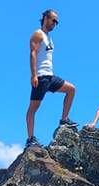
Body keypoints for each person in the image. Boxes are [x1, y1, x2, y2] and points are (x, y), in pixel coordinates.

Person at [25, 9, 77, 148]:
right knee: (32, 109)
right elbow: (33, 54)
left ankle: (64, 119)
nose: (55, 24)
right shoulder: (38, 34)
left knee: (71, 89)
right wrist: (34, 75)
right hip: (41, 77)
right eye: (53, 20)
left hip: (50, 77)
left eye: (57, 22)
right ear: (45, 18)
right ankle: (30, 139)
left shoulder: (49, 37)